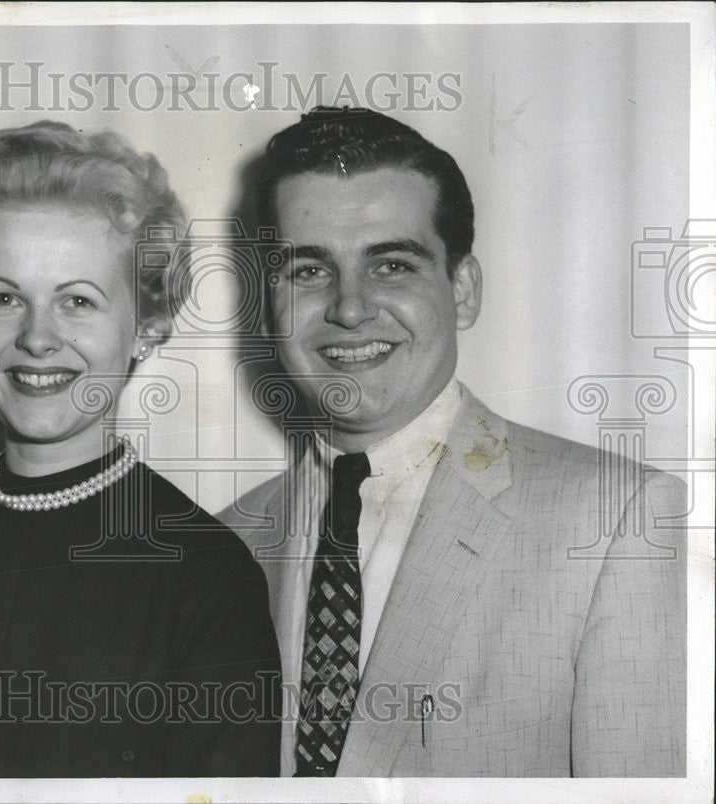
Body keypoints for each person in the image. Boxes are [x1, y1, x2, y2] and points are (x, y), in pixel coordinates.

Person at [219, 107, 686, 777]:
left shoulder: (616, 522)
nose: (349, 309)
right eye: (309, 271)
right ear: (271, 300)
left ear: (462, 290)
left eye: (392, 266)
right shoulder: (228, 543)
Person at [0, 120, 281, 778]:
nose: (37, 338)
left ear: (148, 323)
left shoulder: (204, 577)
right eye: (2, 298)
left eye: (78, 300)